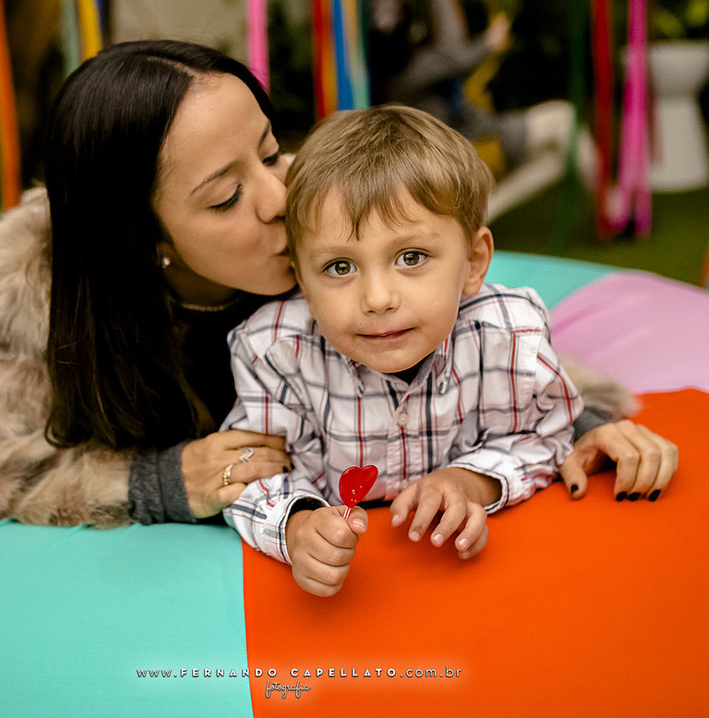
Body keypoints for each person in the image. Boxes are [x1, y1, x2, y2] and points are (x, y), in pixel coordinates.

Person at [0, 39, 676, 532]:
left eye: (271, 152)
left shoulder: (319, 222)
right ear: (143, 237)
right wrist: (156, 480)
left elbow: (467, 333)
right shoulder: (45, 282)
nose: (281, 197)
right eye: (223, 197)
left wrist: (577, 426)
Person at [223, 105, 582, 596]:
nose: (377, 299)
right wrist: (296, 525)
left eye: (411, 257)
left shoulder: (509, 336)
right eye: (339, 267)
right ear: (302, 281)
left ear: (473, 261)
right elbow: (251, 470)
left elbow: (545, 438)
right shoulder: (275, 353)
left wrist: (468, 482)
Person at [368, 0, 589, 218]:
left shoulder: (385, 74)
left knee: (555, 161)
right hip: (473, 146)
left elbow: (451, 58)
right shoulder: (404, 78)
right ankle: (611, 208)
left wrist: (486, 44)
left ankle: (486, 210)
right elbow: (454, 53)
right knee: (563, 118)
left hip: (467, 140)